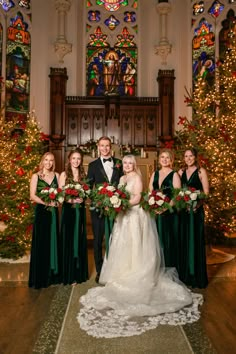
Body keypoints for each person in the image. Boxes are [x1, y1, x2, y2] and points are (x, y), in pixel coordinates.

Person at [78, 155, 203, 338]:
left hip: (134, 215)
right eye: (126, 163)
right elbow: (117, 193)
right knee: (121, 245)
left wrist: (121, 203)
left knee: (135, 244)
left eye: (130, 163)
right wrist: (115, 201)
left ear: (134, 165)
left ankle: (137, 271)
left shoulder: (137, 178)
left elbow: (136, 197)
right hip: (122, 216)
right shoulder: (121, 178)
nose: (128, 165)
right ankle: (123, 272)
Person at [87, 136, 123, 283]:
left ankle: (115, 270)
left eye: (107, 145)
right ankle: (100, 271)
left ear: (111, 147)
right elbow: (89, 188)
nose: (105, 148)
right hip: (98, 209)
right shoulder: (93, 165)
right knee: (98, 240)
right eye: (102, 146)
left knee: (117, 239)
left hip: (117, 207)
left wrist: (118, 199)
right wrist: (98, 199)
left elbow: (123, 185)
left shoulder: (119, 164)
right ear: (98, 147)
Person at [178, 148, 209, 288]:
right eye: (186, 156)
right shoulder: (180, 172)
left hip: (196, 212)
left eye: (191, 156)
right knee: (184, 241)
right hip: (184, 212)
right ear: (183, 158)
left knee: (196, 240)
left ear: (195, 157)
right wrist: (182, 203)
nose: (188, 158)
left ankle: (197, 277)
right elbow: (177, 192)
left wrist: (197, 204)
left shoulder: (201, 172)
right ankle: (185, 276)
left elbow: (206, 193)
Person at [28, 152, 60, 289]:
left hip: (53, 213)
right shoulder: (36, 176)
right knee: (41, 242)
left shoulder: (57, 176)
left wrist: (57, 202)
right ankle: (40, 277)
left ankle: (52, 275)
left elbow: (61, 193)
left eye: (51, 160)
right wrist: (46, 203)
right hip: (42, 212)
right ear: (43, 161)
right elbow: (32, 196)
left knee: (53, 241)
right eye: (46, 160)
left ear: (53, 162)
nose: (49, 163)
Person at [59, 149, 88, 285]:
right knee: (69, 240)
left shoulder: (83, 174)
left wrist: (83, 199)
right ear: (69, 159)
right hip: (69, 211)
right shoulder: (64, 175)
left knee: (79, 238)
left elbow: (86, 193)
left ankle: (79, 273)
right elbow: (60, 195)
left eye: (78, 159)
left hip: (80, 210)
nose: (76, 161)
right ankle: (69, 274)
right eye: (74, 158)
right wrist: (71, 200)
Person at [148, 148, 181, 270]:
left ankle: (169, 268)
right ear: (159, 159)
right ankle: (157, 268)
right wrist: (154, 205)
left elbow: (177, 196)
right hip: (156, 213)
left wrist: (165, 208)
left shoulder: (174, 174)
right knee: (156, 240)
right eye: (162, 157)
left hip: (170, 214)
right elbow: (150, 191)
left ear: (171, 160)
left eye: (167, 157)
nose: (164, 159)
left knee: (168, 241)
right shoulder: (154, 174)